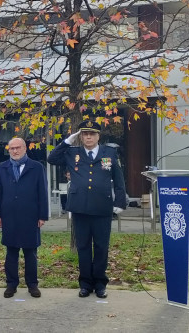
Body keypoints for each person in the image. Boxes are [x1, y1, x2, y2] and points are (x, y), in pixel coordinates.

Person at [47, 120, 127, 299]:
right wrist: (67, 141)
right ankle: (85, 283)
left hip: (102, 208)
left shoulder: (110, 152)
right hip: (80, 207)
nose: (88, 137)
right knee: (83, 247)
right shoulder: (72, 152)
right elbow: (51, 158)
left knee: (101, 247)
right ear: (80, 136)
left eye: (92, 134)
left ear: (98, 136)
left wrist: (120, 202)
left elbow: (119, 179)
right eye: (85, 134)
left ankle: (100, 284)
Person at [0, 138, 49, 299]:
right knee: (11, 252)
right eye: (11, 148)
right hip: (9, 215)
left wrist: (42, 215)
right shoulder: (2, 168)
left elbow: (42, 193)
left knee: (30, 253)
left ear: (25, 148)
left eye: (18, 148)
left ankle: (32, 285)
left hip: (30, 215)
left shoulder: (36, 167)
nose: (14, 151)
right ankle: (11, 284)